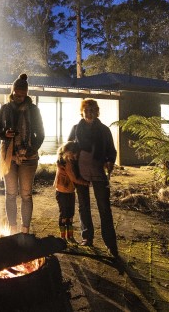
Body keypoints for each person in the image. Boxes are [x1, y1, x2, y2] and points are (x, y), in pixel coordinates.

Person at [67, 98, 119, 257]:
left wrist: (110, 161)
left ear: (97, 112)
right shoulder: (76, 129)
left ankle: (110, 243)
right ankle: (87, 237)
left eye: (92, 110)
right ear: (81, 112)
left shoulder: (104, 130)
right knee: (83, 206)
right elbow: (68, 147)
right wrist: (69, 153)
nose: (89, 112)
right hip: (80, 172)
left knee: (104, 208)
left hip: (98, 172)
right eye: (86, 110)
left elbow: (111, 150)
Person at [0, 73, 45, 234]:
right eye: (17, 94)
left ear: (26, 94)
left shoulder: (33, 110)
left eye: (23, 95)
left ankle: (25, 231)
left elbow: (41, 133)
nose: (19, 98)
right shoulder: (5, 109)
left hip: (28, 158)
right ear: (12, 92)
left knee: (26, 194)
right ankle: (12, 229)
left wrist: (31, 149)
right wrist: (4, 134)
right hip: (9, 156)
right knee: (10, 194)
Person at [54, 141, 89, 243]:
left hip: (67, 191)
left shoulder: (63, 159)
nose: (75, 156)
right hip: (64, 192)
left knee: (68, 215)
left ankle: (68, 236)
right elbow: (74, 179)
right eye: (74, 154)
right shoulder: (66, 162)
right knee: (65, 215)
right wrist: (86, 183)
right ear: (68, 152)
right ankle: (64, 237)